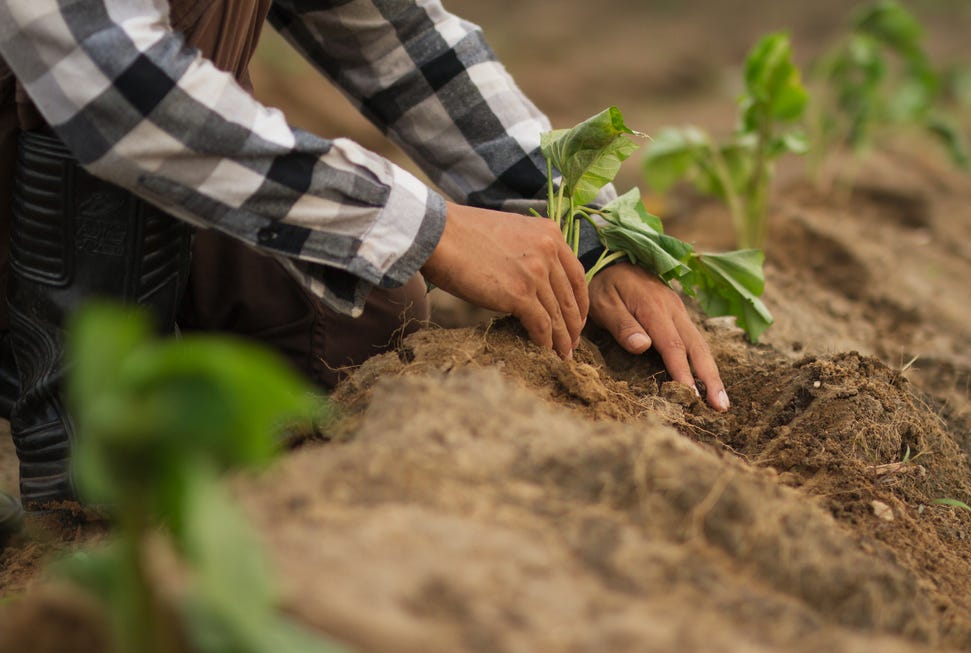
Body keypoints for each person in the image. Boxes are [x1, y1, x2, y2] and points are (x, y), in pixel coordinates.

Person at [0, 0, 728, 514]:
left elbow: (404, 45)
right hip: (77, 138)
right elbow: (121, 93)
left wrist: (587, 235)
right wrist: (430, 226)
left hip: (120, 163)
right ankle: (78, 451)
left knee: (358, 313)